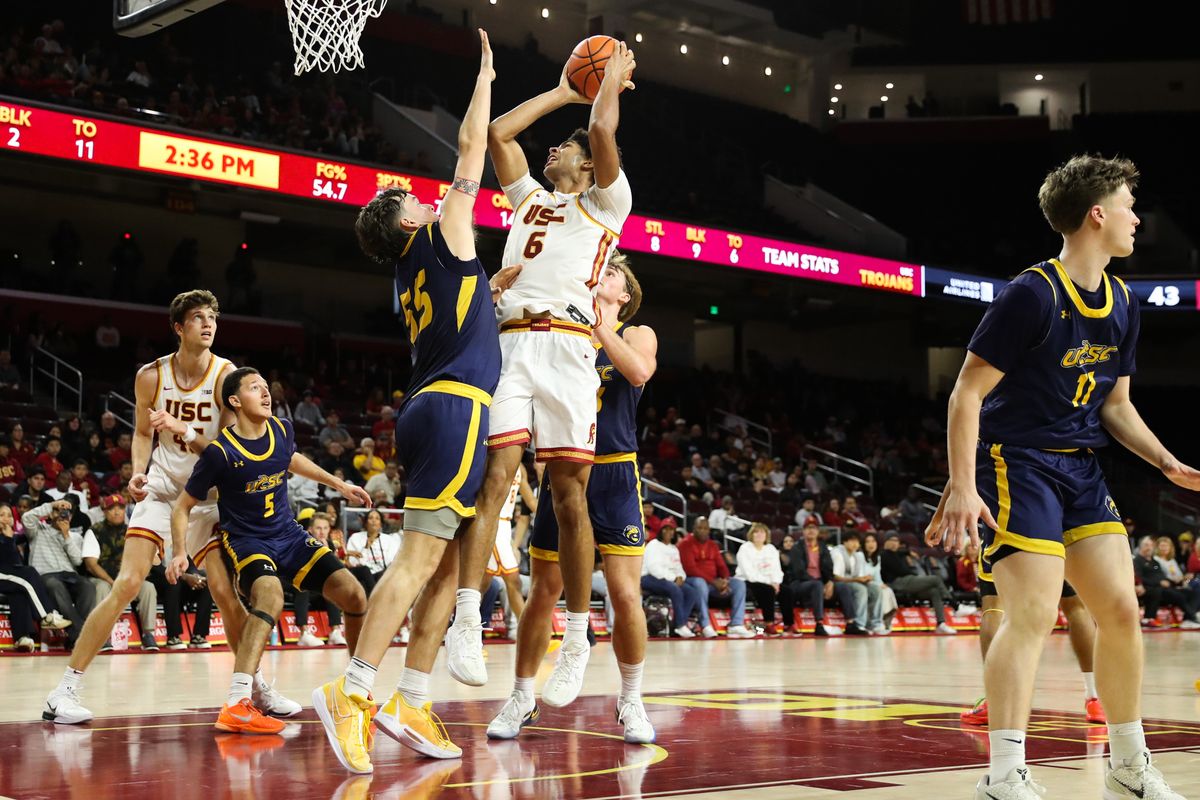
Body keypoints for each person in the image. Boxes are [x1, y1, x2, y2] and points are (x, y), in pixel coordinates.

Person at [926, 155, 1196, 799]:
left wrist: (1166, 461)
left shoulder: (1124, 301)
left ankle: (1130, 763)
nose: (1137, 218)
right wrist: (962, 484)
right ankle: (1004, 774)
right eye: (1130, 205)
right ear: (1097, 214)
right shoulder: (1031, 294)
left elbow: (1116, 405)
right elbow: (966, 395)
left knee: (1122, 611)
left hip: (1080, 466)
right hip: (1016, 461)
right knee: (1032, 613)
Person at [313, 32, 509, 774]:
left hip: (437, 403)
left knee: (456, 564)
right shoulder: (443, 235)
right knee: (421, 560)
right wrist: (484, 78)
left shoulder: (409, 273)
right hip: (456, 407)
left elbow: (468, 308)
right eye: (407, 199)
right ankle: (356, 689)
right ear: (404, 221)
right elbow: (469, 147)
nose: (420, 196)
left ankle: (412, 697)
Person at [442, 33, 637, 706]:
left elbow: (599, 130)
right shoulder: (529, 198)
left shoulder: (607, 204)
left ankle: (578, 636)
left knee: (567, 498)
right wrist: (561, 87)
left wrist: (606, 82)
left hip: (570, 351)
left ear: (587, 168)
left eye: (567, 149)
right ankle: (466, 620)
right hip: (513, 345)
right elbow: (498, 132)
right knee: (493, 480)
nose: (554, 149)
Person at [42, 290, 300, 725]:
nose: (208, 323)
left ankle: (254, 685)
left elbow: (227, 449)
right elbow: (143, 433)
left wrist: (183, 430)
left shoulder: (226, 376)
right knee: (126, 584)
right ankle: (63, 690)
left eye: (212, 316)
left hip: (205, 497)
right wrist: (137, 472)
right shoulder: (151, 376)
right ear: (178, 328)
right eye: (197, 317)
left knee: (222, 589)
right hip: (162, 492)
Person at [488, 251, 658, 744]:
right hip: (565, 472)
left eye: (612, 272)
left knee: (626, 595)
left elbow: (639, 373)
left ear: (624, 294)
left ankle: (631, 702)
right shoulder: (564, 329)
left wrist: (600, 326)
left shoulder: (634, 332)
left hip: (614, 475)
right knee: (543, 591)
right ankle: (521, 697)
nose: (601, 272)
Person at [173, 366, 369, 735]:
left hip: (289, 534)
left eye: (266, 387)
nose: (266, 393)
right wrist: (180, 551)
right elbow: (183, 506)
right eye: (254, 388)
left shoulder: (282, 429)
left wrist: (338, 484)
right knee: (270, 595)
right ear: (235, 401)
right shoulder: (219, 453)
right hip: (247, 540)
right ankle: (236, 702)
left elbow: (289, 459)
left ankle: (356, 690)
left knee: (355, 594)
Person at [961, 549, 1112, 728]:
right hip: (1055, 531)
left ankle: (996, 702)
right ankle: (1095, 699)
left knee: (993, 606)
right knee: (1076, 607)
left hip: (1007, 527)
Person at [80, 493, 160, 651]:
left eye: (120, 508)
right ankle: (102, 636)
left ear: (125, 510)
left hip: (127, 579)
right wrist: (112, 582)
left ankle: (148, 634)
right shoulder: (94, 531)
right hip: (103, 578)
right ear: (104, 511)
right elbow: (91, 564)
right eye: (112, 508)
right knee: (101, 588)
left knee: (148, 587)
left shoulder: (133, 531)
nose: (116, 512)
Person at [22, 498, 95, 650]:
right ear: (49, 514)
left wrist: (66, 535)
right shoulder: (38, 531)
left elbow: (77, 561)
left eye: (66, 512)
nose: (62, 514)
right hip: (47, 575)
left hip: (70, 574)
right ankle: (83, 636)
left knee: (88, 586)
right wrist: (51, 505)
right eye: (58, 511)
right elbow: (26, 518)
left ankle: (76, 636)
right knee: (55, 585)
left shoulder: (75, 537)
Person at [1, 504, 72, 652]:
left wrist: (49, 516)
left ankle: (22, 638)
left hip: (6, 577)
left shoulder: (13, 537)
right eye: (2, 515)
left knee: (20, 591)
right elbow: (7, 564)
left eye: (9, 515)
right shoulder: (6, 539)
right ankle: (47, 616)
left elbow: (14, 565)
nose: (6, 519)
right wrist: (8, 540)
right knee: (27, 576)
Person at [481, 463, 536, 633]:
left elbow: (532, 503)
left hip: (505, 527)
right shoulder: (492, 459)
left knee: (482, 583)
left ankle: (463, 629)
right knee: (513, 580)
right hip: (493, 523)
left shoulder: (520, 468)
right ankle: (529, 633)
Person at [677, 517, 752, 638]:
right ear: (694, 529)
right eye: (700, 528)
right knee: (700, 583)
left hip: (713, 583)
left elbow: (721, 566)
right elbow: (690, 569)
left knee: (739, 584)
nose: (703, 531)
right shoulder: (685, 544)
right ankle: (705, 625)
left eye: (706, 528)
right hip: (693, 581)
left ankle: (736, 624)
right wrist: (714, 582)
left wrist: (725, 581)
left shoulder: (712, 545)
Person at [881, 533, 957, 634]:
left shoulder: (897, 554)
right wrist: (910, 570)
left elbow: (903, 552)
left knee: (934, 591)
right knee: (935, 579)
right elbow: (900, 571)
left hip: (908, 582)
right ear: (886, 542)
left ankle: (941, 623)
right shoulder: (885, 554)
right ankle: (955, 605)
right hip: (898, 582)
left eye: (897, 541)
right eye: (892, 540)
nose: (895, 543)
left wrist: (908, 552)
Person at [639, 520, 703, 638]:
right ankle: (680, 625)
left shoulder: (674, 549)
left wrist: (681, 577)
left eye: (671, 529)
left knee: (691, 592)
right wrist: (674, 579)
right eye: (666, 529)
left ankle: (678, 625)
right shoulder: (654, 545)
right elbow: (654, 568)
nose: (668, 532)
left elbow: (679, 568)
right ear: (661, 531)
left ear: (674, 532)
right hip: (648, 578)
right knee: (675, 590)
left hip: (668, 580)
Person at [779, 520, 835, 636]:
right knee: (817, 585)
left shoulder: (823, 547)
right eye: (808, 528)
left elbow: (829, 567)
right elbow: (799, 572)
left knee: (844, 588)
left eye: (814, 528)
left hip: (820, 582)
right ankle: (819, 623)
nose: (811, 530)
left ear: (818, 531)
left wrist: (830, 582)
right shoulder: (797, 547)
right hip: (799, 583)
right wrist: (820, 583)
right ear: (803, 531)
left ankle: (852, 623)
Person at [735, 523, 784, 633]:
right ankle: (769, 623)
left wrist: (776, 582)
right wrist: (769, 583)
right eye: (756, 532)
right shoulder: (745, 548)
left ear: (767, 535)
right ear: (751, 534)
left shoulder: (771, 549)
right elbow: (749, 574)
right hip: (747, 581)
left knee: (787, 591)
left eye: (762, 532)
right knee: (767, 590)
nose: (759, 534)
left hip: (770, 582)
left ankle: (789, 624)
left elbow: (777, 569)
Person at [831, 531, 883, 635]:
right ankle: (859, 624)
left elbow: (858, 576)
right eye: (852, 541)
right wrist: (857, 580)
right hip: (837, 584)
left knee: (876, 588)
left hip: (851, 582)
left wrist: (865, 579)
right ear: (844, 542)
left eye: (857, 542)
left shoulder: (857, 555)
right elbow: (836, 577)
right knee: (861, 589)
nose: (855, 544)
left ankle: (875, 623)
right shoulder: (838, 553)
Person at [344, 509, 399, 596]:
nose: (374, 520)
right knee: (365, 570)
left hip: (381, 573)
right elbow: (353, 563)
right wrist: (366, 548)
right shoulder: (356, 538)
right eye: (370, 518)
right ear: (365, 522)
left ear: (381, 523)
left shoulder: (389, 540)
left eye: (377, 518)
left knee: (387, 573)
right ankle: (375, 598)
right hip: (364, 574)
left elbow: (392, 561)